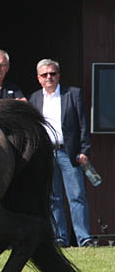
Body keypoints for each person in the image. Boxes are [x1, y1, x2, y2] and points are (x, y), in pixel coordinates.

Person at [29, 58, 95, 247]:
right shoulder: (34, 98)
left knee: (77, 196)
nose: (49, 77)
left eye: (52, 73)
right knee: (53, 198)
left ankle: (84, 238)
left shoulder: (73, 94)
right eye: (44, 75)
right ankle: (60, 238)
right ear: (38, 78)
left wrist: (84, 150)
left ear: (59, 75)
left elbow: (83, 124)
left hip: (69, 153)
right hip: (46, 153)